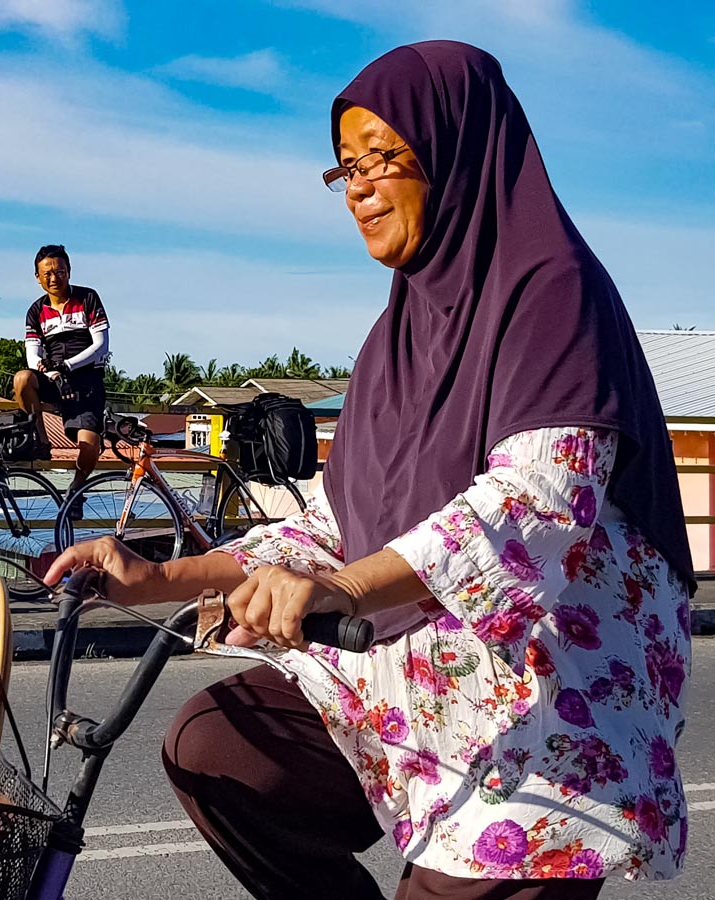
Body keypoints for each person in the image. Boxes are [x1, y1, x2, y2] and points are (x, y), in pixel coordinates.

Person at [46, 41, 695, 900]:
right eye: (344, 167)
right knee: (221, 747)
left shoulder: (550, 290)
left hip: (541, 702)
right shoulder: (394, 337)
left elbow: (538, 502)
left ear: (455, 150)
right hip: (419, 673)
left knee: (477, 863)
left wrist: (347, 590)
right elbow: (331, 520)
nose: (357, 186)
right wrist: (159, 576)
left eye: (383, 158)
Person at [14, 244, 110, 499]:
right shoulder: (35, 311)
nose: (54, 278)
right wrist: (51, 372)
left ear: (69, 271)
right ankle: (41, 441)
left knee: (90, 447)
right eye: (47, 274)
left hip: (86, 379)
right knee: (22, 379)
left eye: (60, 272)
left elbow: (101, 345)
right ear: (37, 277)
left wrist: (67, 366)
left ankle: (76, 490)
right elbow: (32, 354)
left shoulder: (88, 297)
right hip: (53, 379)